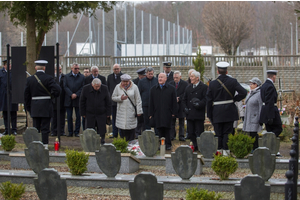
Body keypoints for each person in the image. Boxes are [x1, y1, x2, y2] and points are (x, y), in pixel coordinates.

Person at [206, 62, 247, 154]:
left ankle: (219, 151)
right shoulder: (233, 81)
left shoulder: (212, 84)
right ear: (227, 71)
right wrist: (234, 99)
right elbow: (243, 92)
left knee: (218, 133)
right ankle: (226, 152)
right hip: (229, 110)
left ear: (217, 71)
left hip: (217, 111)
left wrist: (209, 113)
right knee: (227, 133)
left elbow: (208, 100)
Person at [24, 60, 61, 149]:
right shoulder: (49, 78)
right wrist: (52, 96)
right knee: (45, 128)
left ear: (36, 68)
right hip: (46, 106)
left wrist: (28, 108)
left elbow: (26, 95)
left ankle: (36, 144)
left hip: (35, 106)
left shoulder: (30, 79)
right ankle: (45, 145)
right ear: (44, 68)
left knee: (36, 127)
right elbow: (58, 90)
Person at [149, 73, 177, 150]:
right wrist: (151, 114)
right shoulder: (153, 89)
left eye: (162, 77)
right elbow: (151, 103)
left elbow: (174, 101)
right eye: (159, 77)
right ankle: (161, 144)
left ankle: (168, 144)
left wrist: (174, 112)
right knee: (159, 129)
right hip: (157, 113)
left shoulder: (171, 89)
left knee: (167, 129)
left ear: (166, 79)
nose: (160, 79)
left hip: (168, 112)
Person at [80, 78, 111, 144]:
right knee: (90, 129)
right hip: (90, 113)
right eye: (96, 86)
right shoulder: (86, 89)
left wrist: (108, 113)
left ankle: (101, 141)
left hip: (101, 113)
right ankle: (90, 142)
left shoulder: (104, 88)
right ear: (92, 85)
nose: (97, 88)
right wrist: (83, 113)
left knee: (102, 129)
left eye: (99, 86)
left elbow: (108, 101)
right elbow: (82, 101)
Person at [112, 74, 142, 141]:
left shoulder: (134, 87)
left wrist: (139, 111)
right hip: (121, 112)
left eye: (127, 81)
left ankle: (131, 144)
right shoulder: (117, 87)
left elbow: (138, 100)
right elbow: (113, 97)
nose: (125, 83)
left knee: (131, 130)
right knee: (122, 131)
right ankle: (124, 145)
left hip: (131, 111)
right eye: (124, 81)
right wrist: (120, 98)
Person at [183, 71, 208, 151]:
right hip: (190, 114)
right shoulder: (188, 87)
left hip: (198, 113)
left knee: (199, 131)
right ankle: (194, 145)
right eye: (190, 76)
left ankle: (201, 146)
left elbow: (206, 99)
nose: (191, 78)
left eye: (192, 76)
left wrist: (200, 104)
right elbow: (184, 99)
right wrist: (185, 108)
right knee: (191, 132)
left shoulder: (203, 87)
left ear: (197, 78)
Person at [64, 63, 85, 137]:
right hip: (69, 99)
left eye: (78, 68)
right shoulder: (66, 77)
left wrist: (76, 94)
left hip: (78, 99)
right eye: (75, 68)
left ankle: (76, 132)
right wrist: (71, 94)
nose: (77, 70)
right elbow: (65, 86)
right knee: (69, 116)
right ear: (72, 68)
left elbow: (83, 87)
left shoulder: (82, 77)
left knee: (78, 116)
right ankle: (70, 131)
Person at [259, 70, 282, 137]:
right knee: (278, 128)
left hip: (265, 111)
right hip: (271, 111)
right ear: (274, 76)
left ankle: (269, 143)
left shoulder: (264, 85)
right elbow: (269, 102)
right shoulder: (270, 86)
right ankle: (270, 142)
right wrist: (270, 116)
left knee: (269, 129)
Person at [243, 77, 263, 151]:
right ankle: (253, 147)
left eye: (252, 84)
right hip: (249, 115)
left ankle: (255, 148)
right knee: (251, 133)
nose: (250, 85)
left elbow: (261, 106)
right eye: (250, 84)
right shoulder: (251, 93)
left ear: (256, 85)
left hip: (255, 117)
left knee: (254, 133)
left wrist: (261, 118)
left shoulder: (259, 94)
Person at [0, 60, 18, 135]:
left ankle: (14, 129)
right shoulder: (1, 72)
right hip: (4, 95)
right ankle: (7, 129)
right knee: (5, 113)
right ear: (4, 65)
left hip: (12, 95)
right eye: (8, 65)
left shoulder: (14, 72)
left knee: (13, 113)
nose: (10, 66)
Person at [169, 71, 188, 141]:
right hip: (173, 105)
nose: (175, 79)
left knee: (181, 122)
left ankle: (181, 135)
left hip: (181, 105)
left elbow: (186, 93)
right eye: (174, 78)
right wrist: (174, 98)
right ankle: (172, 135)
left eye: (176, 77)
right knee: (172, 122)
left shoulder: (185, 84)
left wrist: (179, 98)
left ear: (180, 77)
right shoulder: (170, 84)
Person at [107, 64, 123, 138]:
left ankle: (121, 133)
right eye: (115, 69)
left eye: (117, 69)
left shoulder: (123, 77)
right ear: (113, 69)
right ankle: (115, 133)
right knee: (114, 118)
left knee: (121, 118)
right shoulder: (109, 77)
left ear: (120, 69)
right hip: (113, 102)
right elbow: (108, 88)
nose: (116, 70)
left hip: (121, 101)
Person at [51, 65, 66, 136]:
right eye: (58, 69)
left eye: (60, 69)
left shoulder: (64, 77)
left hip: (62, 100)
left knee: (62, 117)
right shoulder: (51, 78)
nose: (59, 71)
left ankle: (61, 131)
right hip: (54, 100)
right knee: (54, 117)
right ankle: (54, 131)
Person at [133, 68, 146, 138]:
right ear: (139, 76)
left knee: (144, 120)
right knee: (138, 120)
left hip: (144, 103)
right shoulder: (134, 82)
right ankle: (137, 134)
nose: (144, 77)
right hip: (136, 103)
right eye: (143, 76)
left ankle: (144, 133)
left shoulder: (146, 81)